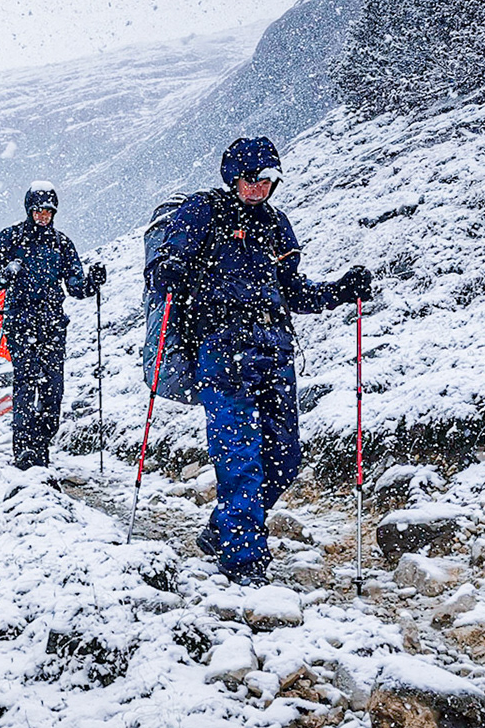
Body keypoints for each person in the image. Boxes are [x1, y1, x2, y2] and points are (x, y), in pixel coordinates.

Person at [146, 137, 371, 585]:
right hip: (220, 350)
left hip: (274, 350)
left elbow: (295, 291)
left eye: (268, 180)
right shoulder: (203, 211)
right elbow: (162, 270)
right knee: (240, 456)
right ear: (234, 177)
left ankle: (222, 530)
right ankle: (242, 557)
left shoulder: (275, 225)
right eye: (252, 179)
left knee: (285, 458)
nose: (260, 188)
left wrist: (341, 290)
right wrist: (168, 269)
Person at [0, 182, 106, 469]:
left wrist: (92, 282)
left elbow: (75, 286)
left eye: (48, 211)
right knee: (26, 383)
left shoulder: (61, 244)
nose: (42, 216)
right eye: (38, 210)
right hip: (20, 323)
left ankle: (41, 443)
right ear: (29, 210)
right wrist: (5, 274)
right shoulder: (10, 238)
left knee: (53, 388)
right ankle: (24, 451)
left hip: (52, 326)